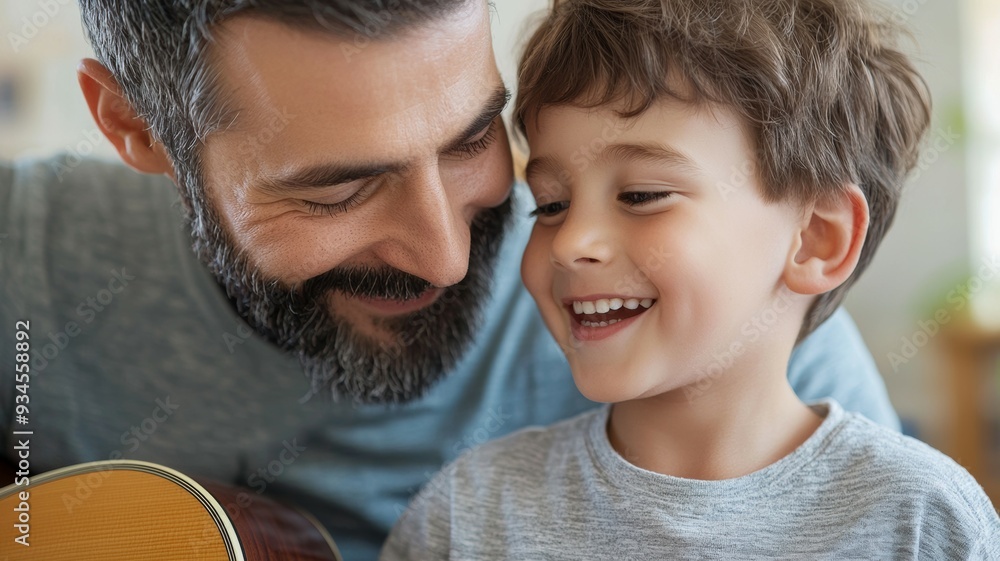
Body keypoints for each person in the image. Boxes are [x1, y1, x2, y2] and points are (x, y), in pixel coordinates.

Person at [0, 1, 900, 559]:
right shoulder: (27, 262)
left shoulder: (725, 339)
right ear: (135, 128)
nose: (448, 256)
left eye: (477, 140)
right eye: (339, 190)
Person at [379, 0, 1000, 559]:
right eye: (550, 204)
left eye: (643, 194)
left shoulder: (923, 519)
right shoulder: (467, 518)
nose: (570, 243)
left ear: (817, 239)